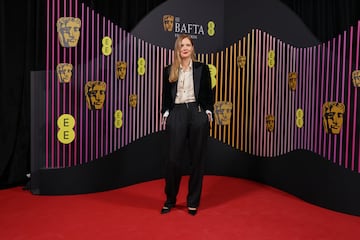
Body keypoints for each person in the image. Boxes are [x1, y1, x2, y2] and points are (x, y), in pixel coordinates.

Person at [161, 34, 214, 216]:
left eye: (188, 45)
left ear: (192, 48)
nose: (184, 48)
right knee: (173, 160)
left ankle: (193, 202)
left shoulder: (202, 68)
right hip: (177, 113)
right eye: (181, 45)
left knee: (197, 160)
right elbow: (166, 96)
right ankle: (170, 200)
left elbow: (208, 93)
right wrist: (166, 112)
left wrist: (208, 111)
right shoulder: (169, 70)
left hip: (197, 112)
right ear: (178, 48)